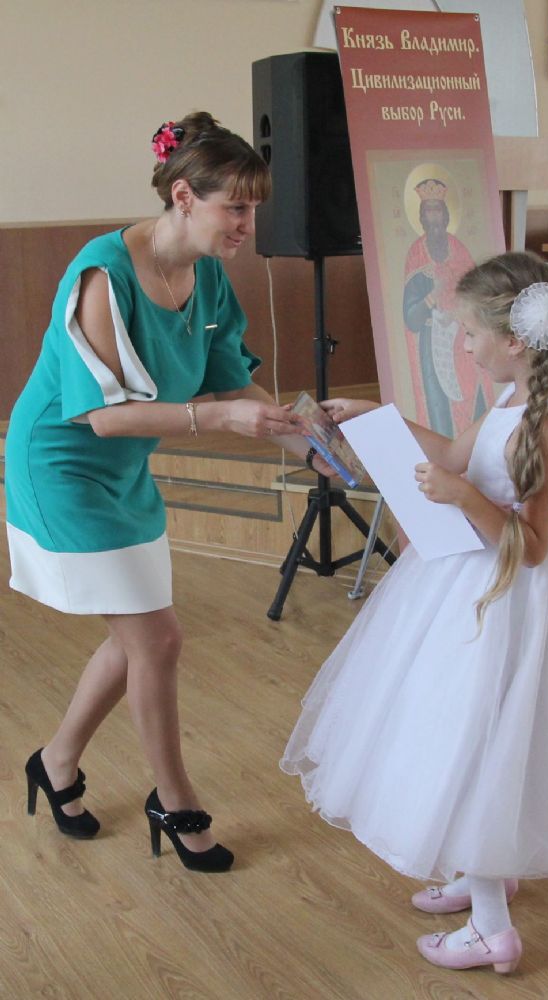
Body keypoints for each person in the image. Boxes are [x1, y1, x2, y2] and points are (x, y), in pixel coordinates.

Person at [281, 251, 548, 973]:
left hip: (504, 603)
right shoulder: (510, 403)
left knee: (477, 747)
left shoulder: (543, 427)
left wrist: (464, 497)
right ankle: (481, 872)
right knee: (460, 734)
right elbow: (453, 454)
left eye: (470, 332)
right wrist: (378, 419)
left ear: (513, 339)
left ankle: (491, 928)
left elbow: (530, 547)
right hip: (469, 587)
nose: (464, 346)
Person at [6, 111, 331, 873]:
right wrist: (217, 418)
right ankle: (175, 799)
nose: (247, 224)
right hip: (62, 465)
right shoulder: (102, 275)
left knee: (137, 639)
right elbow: (102, 415)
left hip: (125, 469)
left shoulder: (207, 274)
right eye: (235, 208)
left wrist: (308, 441)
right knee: (157, 639)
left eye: (253, 208)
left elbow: (230, 380)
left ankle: (55, 762)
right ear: (184, 197)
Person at [403, 178, 490, 437]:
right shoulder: (416, 254)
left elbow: (478, 296)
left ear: (446, 214)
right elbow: (410, 318)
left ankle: (474, 451)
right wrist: (432, 297)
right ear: (422, 216)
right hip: (433, 346)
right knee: (439, 409)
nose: (434, 217)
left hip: (464, 340)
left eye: (438, 210)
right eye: (429, 210)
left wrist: (458, 313)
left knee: (474, 400)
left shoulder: (459, 249)